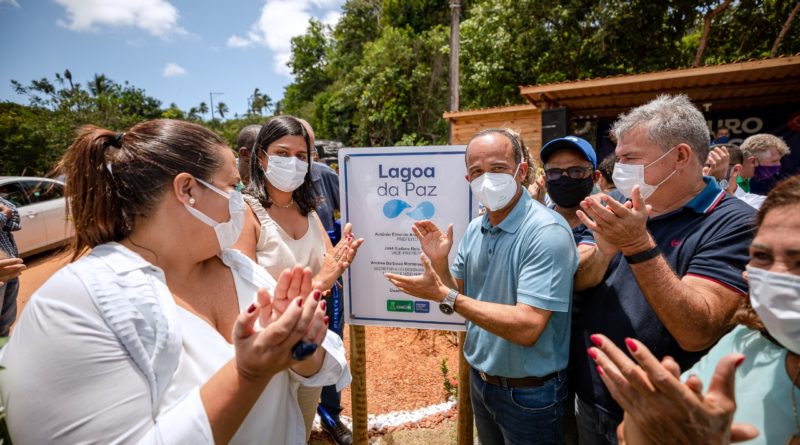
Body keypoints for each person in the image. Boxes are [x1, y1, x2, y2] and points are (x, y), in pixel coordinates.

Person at [0, 119, 349, 444]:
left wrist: (302, 346)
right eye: (232, 185)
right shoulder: (73, 304)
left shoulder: (239, 269)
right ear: (187, 190)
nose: (241, 198)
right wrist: (248, 373)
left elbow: (322, 364)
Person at [573, 94, 756, 444]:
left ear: (681, 156)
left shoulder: (734, 223)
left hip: (663, 422)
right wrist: (604, 250)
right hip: (591, 400)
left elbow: (697, 330)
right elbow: (578, 281)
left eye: (630, 158)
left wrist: (637, 245)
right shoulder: (621, 208)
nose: (619, 168)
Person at [385, 128, 578, 445]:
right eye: (476, 171)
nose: (486, 179)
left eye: (498, 168)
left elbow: (528, 327)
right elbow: (457, 292)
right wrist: (440, 264)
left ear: (522, 171)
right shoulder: (476, 229)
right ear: (468, 179)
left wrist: (446, 295)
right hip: (482, 382)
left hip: (530, 393)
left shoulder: (546, 232)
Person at [587, 174, 800, 445]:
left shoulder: (727, 220)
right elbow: (635, 433)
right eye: (762, 257)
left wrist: (637, 245)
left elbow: (693, 332)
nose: (777, 276)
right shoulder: (746, 341)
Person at [234, 115, 362, 445]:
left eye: (301, 156)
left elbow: (331, 259)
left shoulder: (307, 208)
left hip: (309, 347)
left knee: (302, 430)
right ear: (261, 157)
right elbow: (246, 295)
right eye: (282, 154)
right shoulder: (244, 211)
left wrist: (338, 263)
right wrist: (323, 280)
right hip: (268, 353)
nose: (293, 163)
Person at [703, 143, 767, 209]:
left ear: (736, 170)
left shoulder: (757, 202)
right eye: (701, 165)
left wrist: (720, 180)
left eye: (711, 165)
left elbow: (737, 215)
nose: (704, 169)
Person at [0, 196, 24, 335]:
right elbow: (8, 213)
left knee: (6, 322)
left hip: (10, 267)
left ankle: (3, 354)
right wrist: (3, 214)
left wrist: (4, 215)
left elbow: (15, 217)